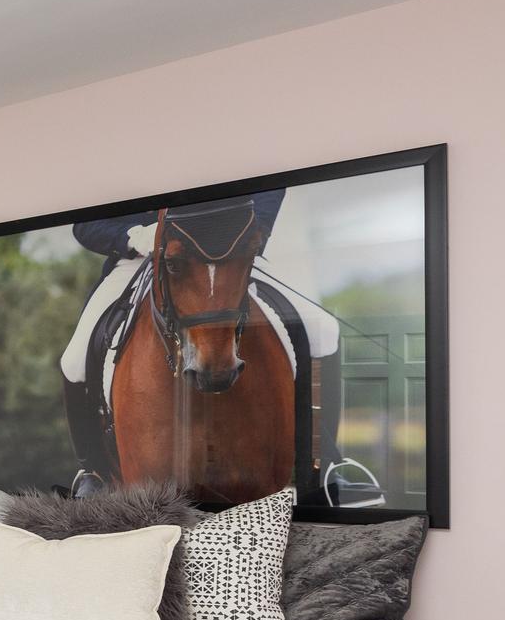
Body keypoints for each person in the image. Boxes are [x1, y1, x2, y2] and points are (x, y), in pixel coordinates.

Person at [58, 190, 359, 499]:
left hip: (231, 254)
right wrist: (133, 236)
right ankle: (92, 470)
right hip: (140, 257)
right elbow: (85, 225)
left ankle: (325, 466)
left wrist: (255, 231)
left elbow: (270, 188)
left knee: (324, 329)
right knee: (74, 358)